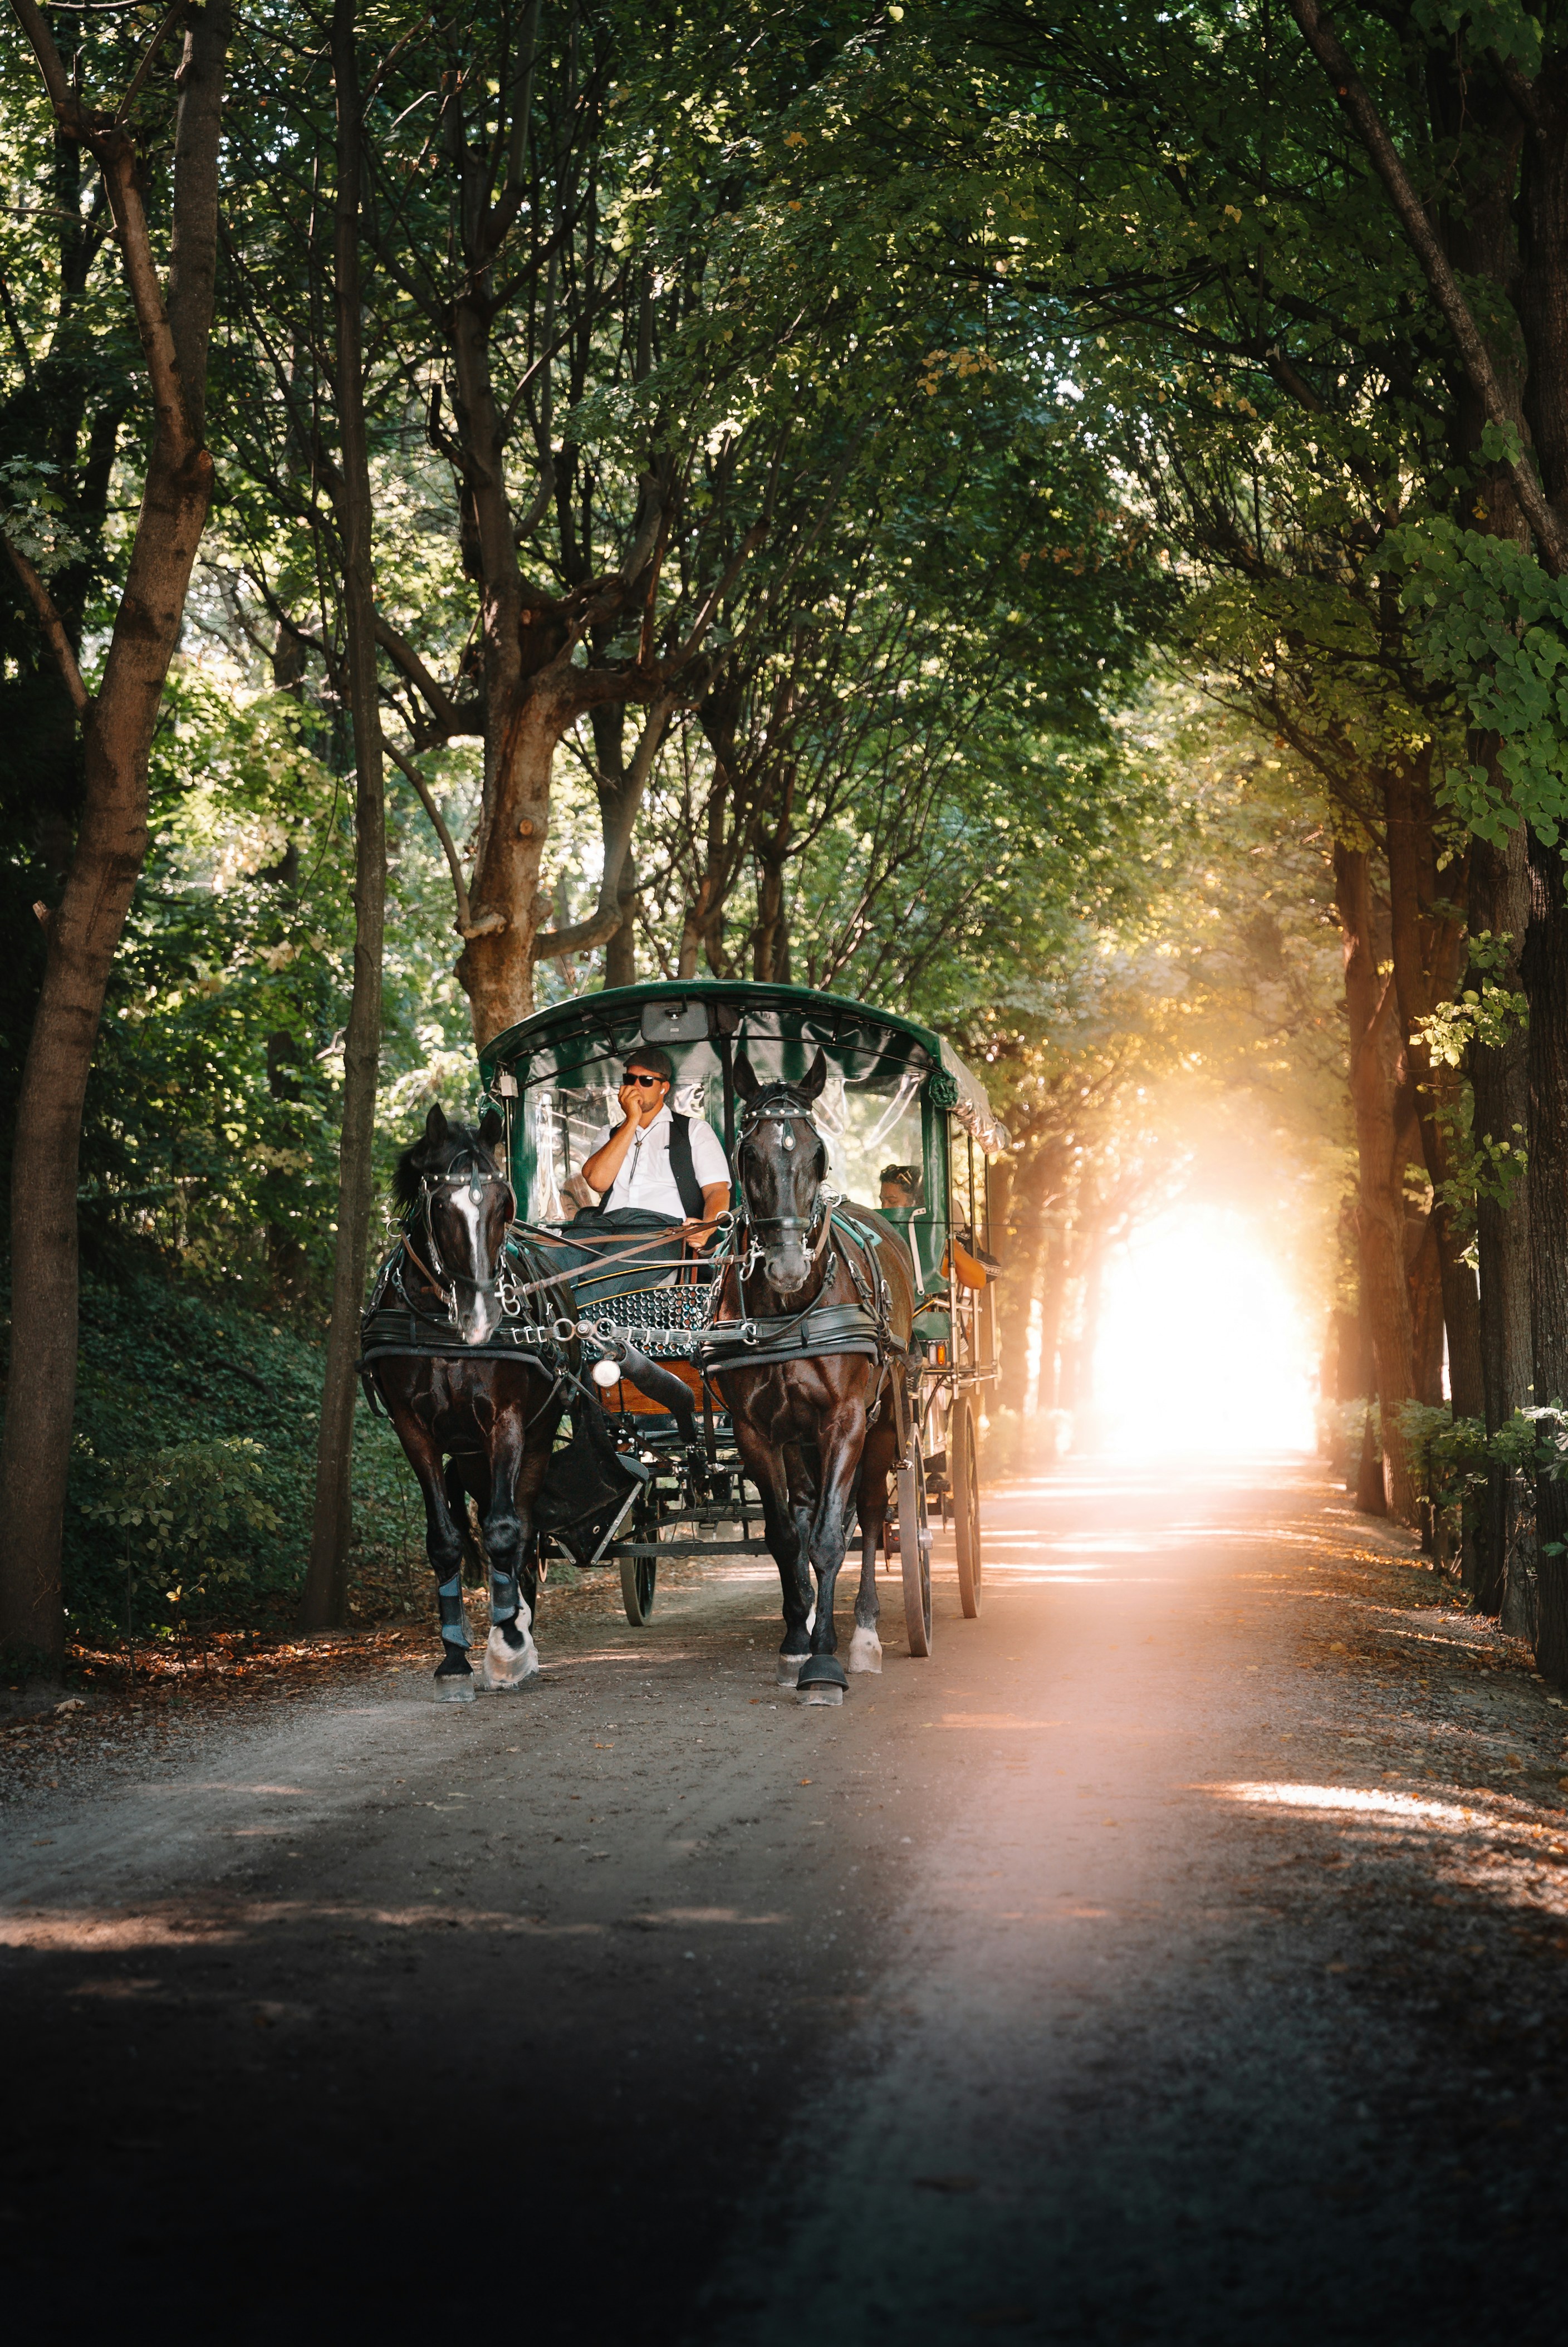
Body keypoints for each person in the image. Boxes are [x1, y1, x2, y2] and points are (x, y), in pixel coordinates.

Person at [579, 1047, 731, 1245]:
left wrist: (706, 1228)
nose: (635, 1087)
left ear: (663, 1088)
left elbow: (717, 1191)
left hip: (665, 1232)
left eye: (646, 1081)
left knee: (609, 1272)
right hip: (608, 1228)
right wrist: (632, 1120)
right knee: (558, 1255)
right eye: (629, 1080)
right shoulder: (609, 1133)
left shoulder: (695, 1130)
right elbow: (597, 1181)